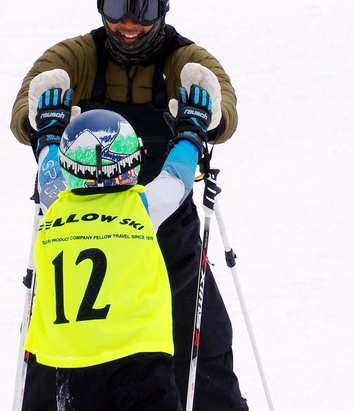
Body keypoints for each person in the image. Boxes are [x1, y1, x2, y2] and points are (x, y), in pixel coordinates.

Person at [12, 0, 247, 411]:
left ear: (163, 10)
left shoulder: (184, 57)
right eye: (117, 6)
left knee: (199, 351)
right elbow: (28, 100)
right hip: (100, 221)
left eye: (144, 8)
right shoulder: (77, 55)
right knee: (70, 358)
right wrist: (37, 116)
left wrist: (211, 112)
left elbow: (223, 102)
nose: (129, 22)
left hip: (162, 239)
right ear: (101, 6)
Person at [24, 82, 214, 410]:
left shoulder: (54, 205)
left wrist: (49, 131)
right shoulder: (141, 207)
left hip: (71, 359)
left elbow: (49, 169)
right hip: (138, 356)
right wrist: (191, 130)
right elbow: (177, 177)